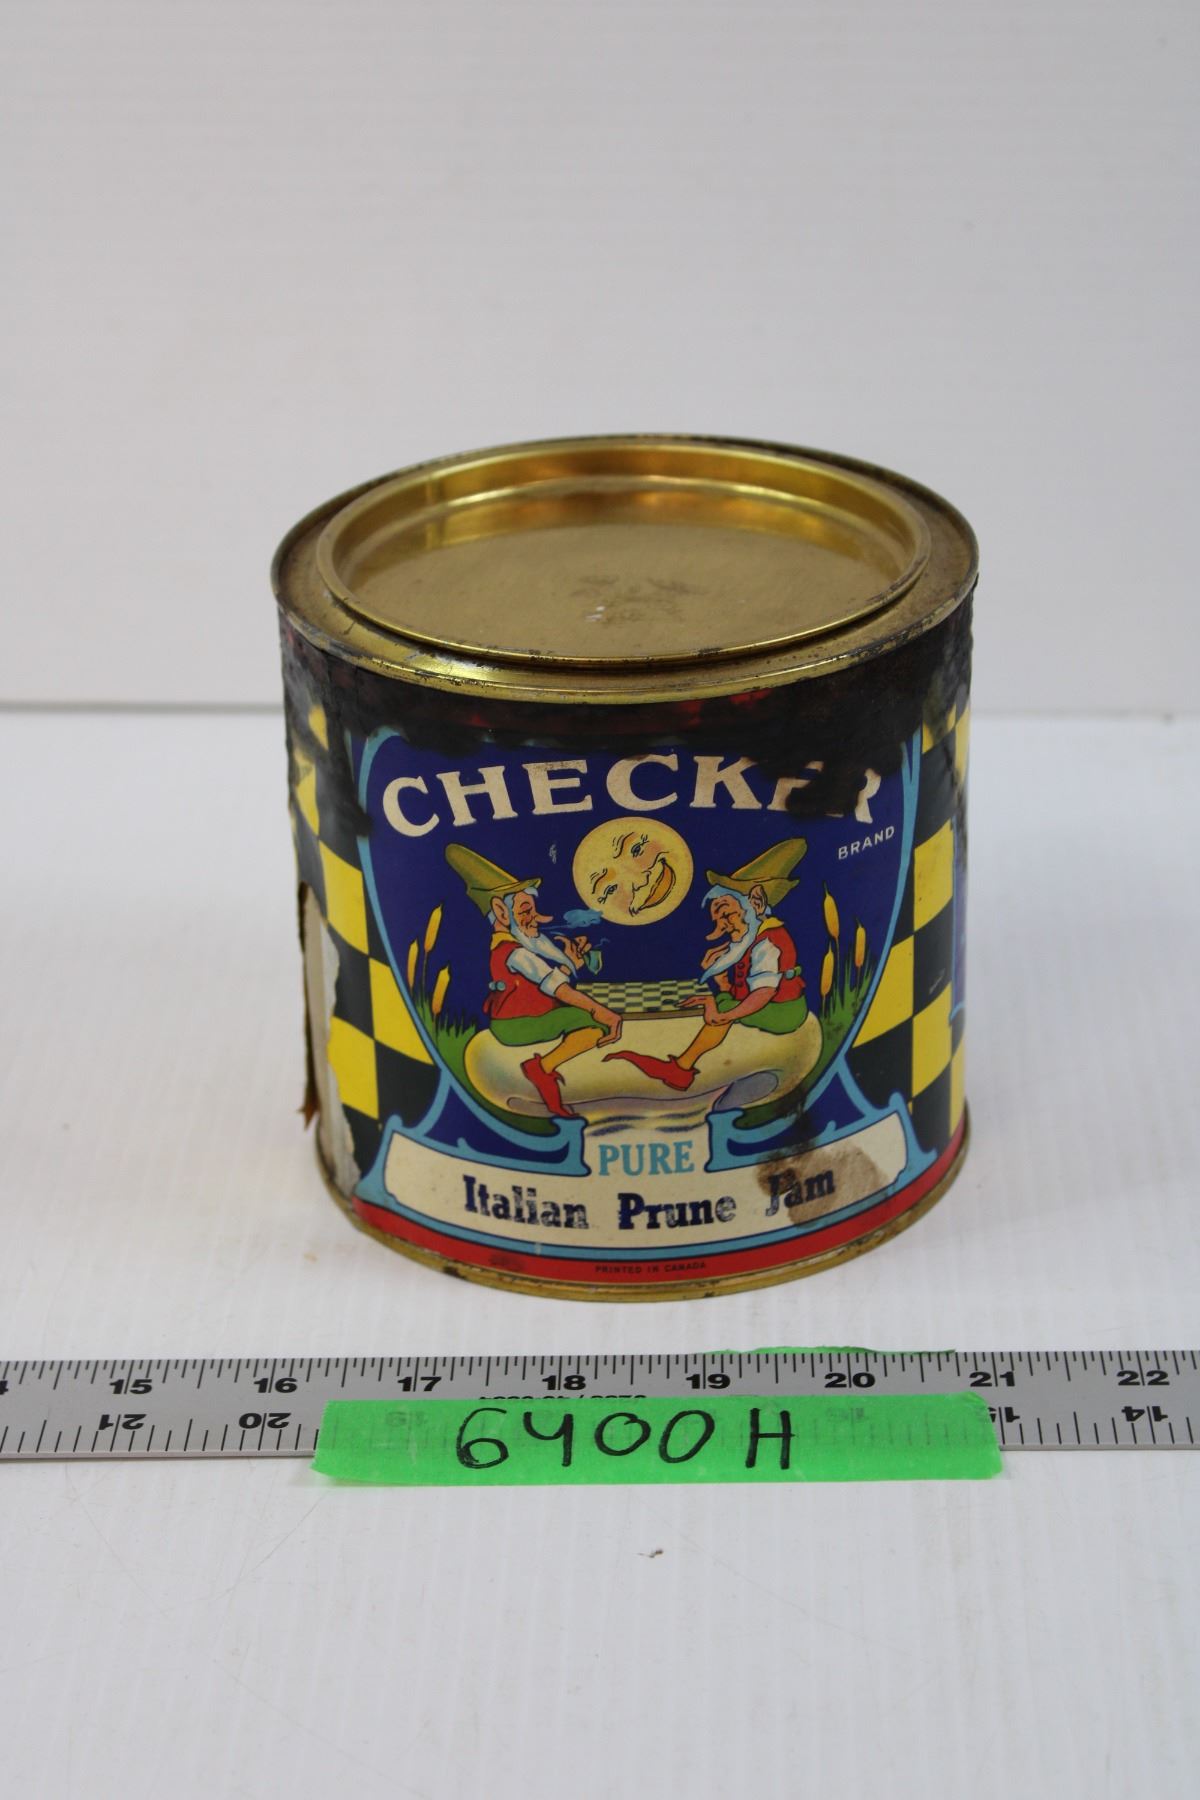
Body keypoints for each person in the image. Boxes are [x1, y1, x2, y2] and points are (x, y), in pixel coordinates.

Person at [605, 840, 808, 1091]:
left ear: (756, 902)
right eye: (719, 921)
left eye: (728, 915)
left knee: (722, 1009)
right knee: (721, 1002)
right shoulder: (749, 941)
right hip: (768, 1004)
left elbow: (764, 992)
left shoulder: (767, 942)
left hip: (785, 1011)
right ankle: (681, 1067)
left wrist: (725, 1014)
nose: (725, 927)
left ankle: (682, 1067)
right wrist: (722, 982)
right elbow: (747, 988)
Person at [445, 845, 621, 1119]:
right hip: (517, 1025)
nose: (536, 920)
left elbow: (549, 980)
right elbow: (558, 989)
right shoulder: (515, 953)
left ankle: (544, 1073)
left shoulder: (509, 948)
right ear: (501, 912)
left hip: (523, 1019)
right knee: (592, 1024)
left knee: (582, 1014)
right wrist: (602, 1011)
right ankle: (542, 1068)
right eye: (526, 911)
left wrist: (570, 964)